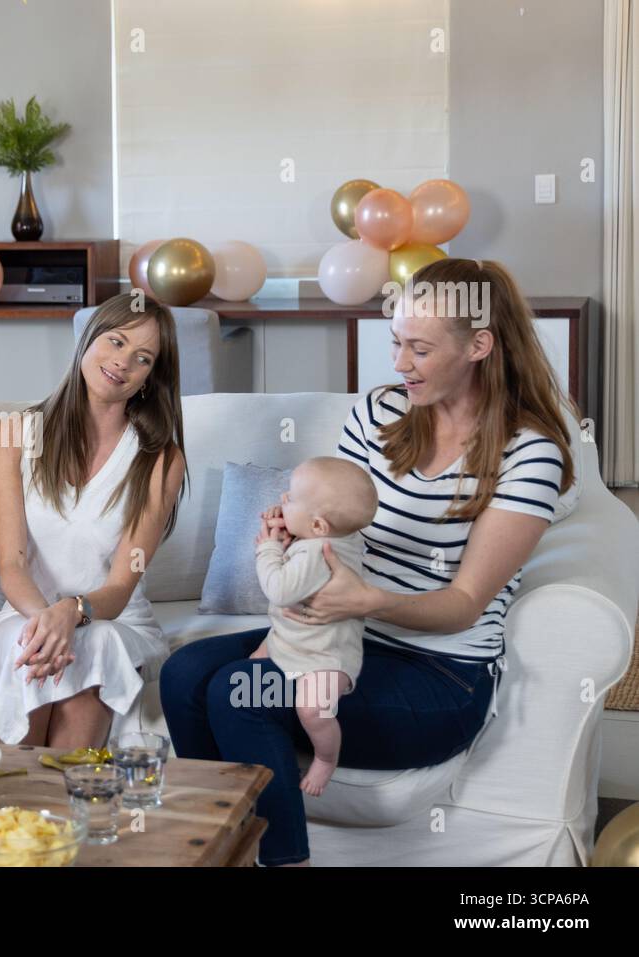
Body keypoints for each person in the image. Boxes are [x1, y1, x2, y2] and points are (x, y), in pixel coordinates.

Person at [160, 258, 580, 866]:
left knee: (237, 692)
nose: (400, 363)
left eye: (420, 348)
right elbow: (340, 529)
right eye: (396, 343)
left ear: (479, 345)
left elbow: (464, 606)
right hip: (346, 636)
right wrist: (292, 533)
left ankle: (284, 861)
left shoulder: (530, 454)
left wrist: (368, 601)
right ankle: (213, 851)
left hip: (440, 671)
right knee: (184, 671)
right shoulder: (379, 414)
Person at [0, 293, 188, 748]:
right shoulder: (13, 435)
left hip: (113, 622)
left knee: (97, 644)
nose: (122, 363)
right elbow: (11, 566)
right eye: (115, 342)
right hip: (24, 616)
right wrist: (46, 625)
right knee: (28, 645)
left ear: (151, 378)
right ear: (88, 340)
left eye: (142, 358)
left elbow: (119, 586)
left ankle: (65, 808)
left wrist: (71, 614)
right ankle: (9, 810)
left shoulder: (158, 459)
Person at [249, 456, 378, 796]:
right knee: (252, 670)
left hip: (323, 655)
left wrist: (269, 549)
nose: (283, 500)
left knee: (313, 710)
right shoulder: (338, 537)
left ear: (320, 526)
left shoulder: (314, 554)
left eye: (290, 497)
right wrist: (292, 533)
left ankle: (325, 757)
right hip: (289, 638)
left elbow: (278, 589)